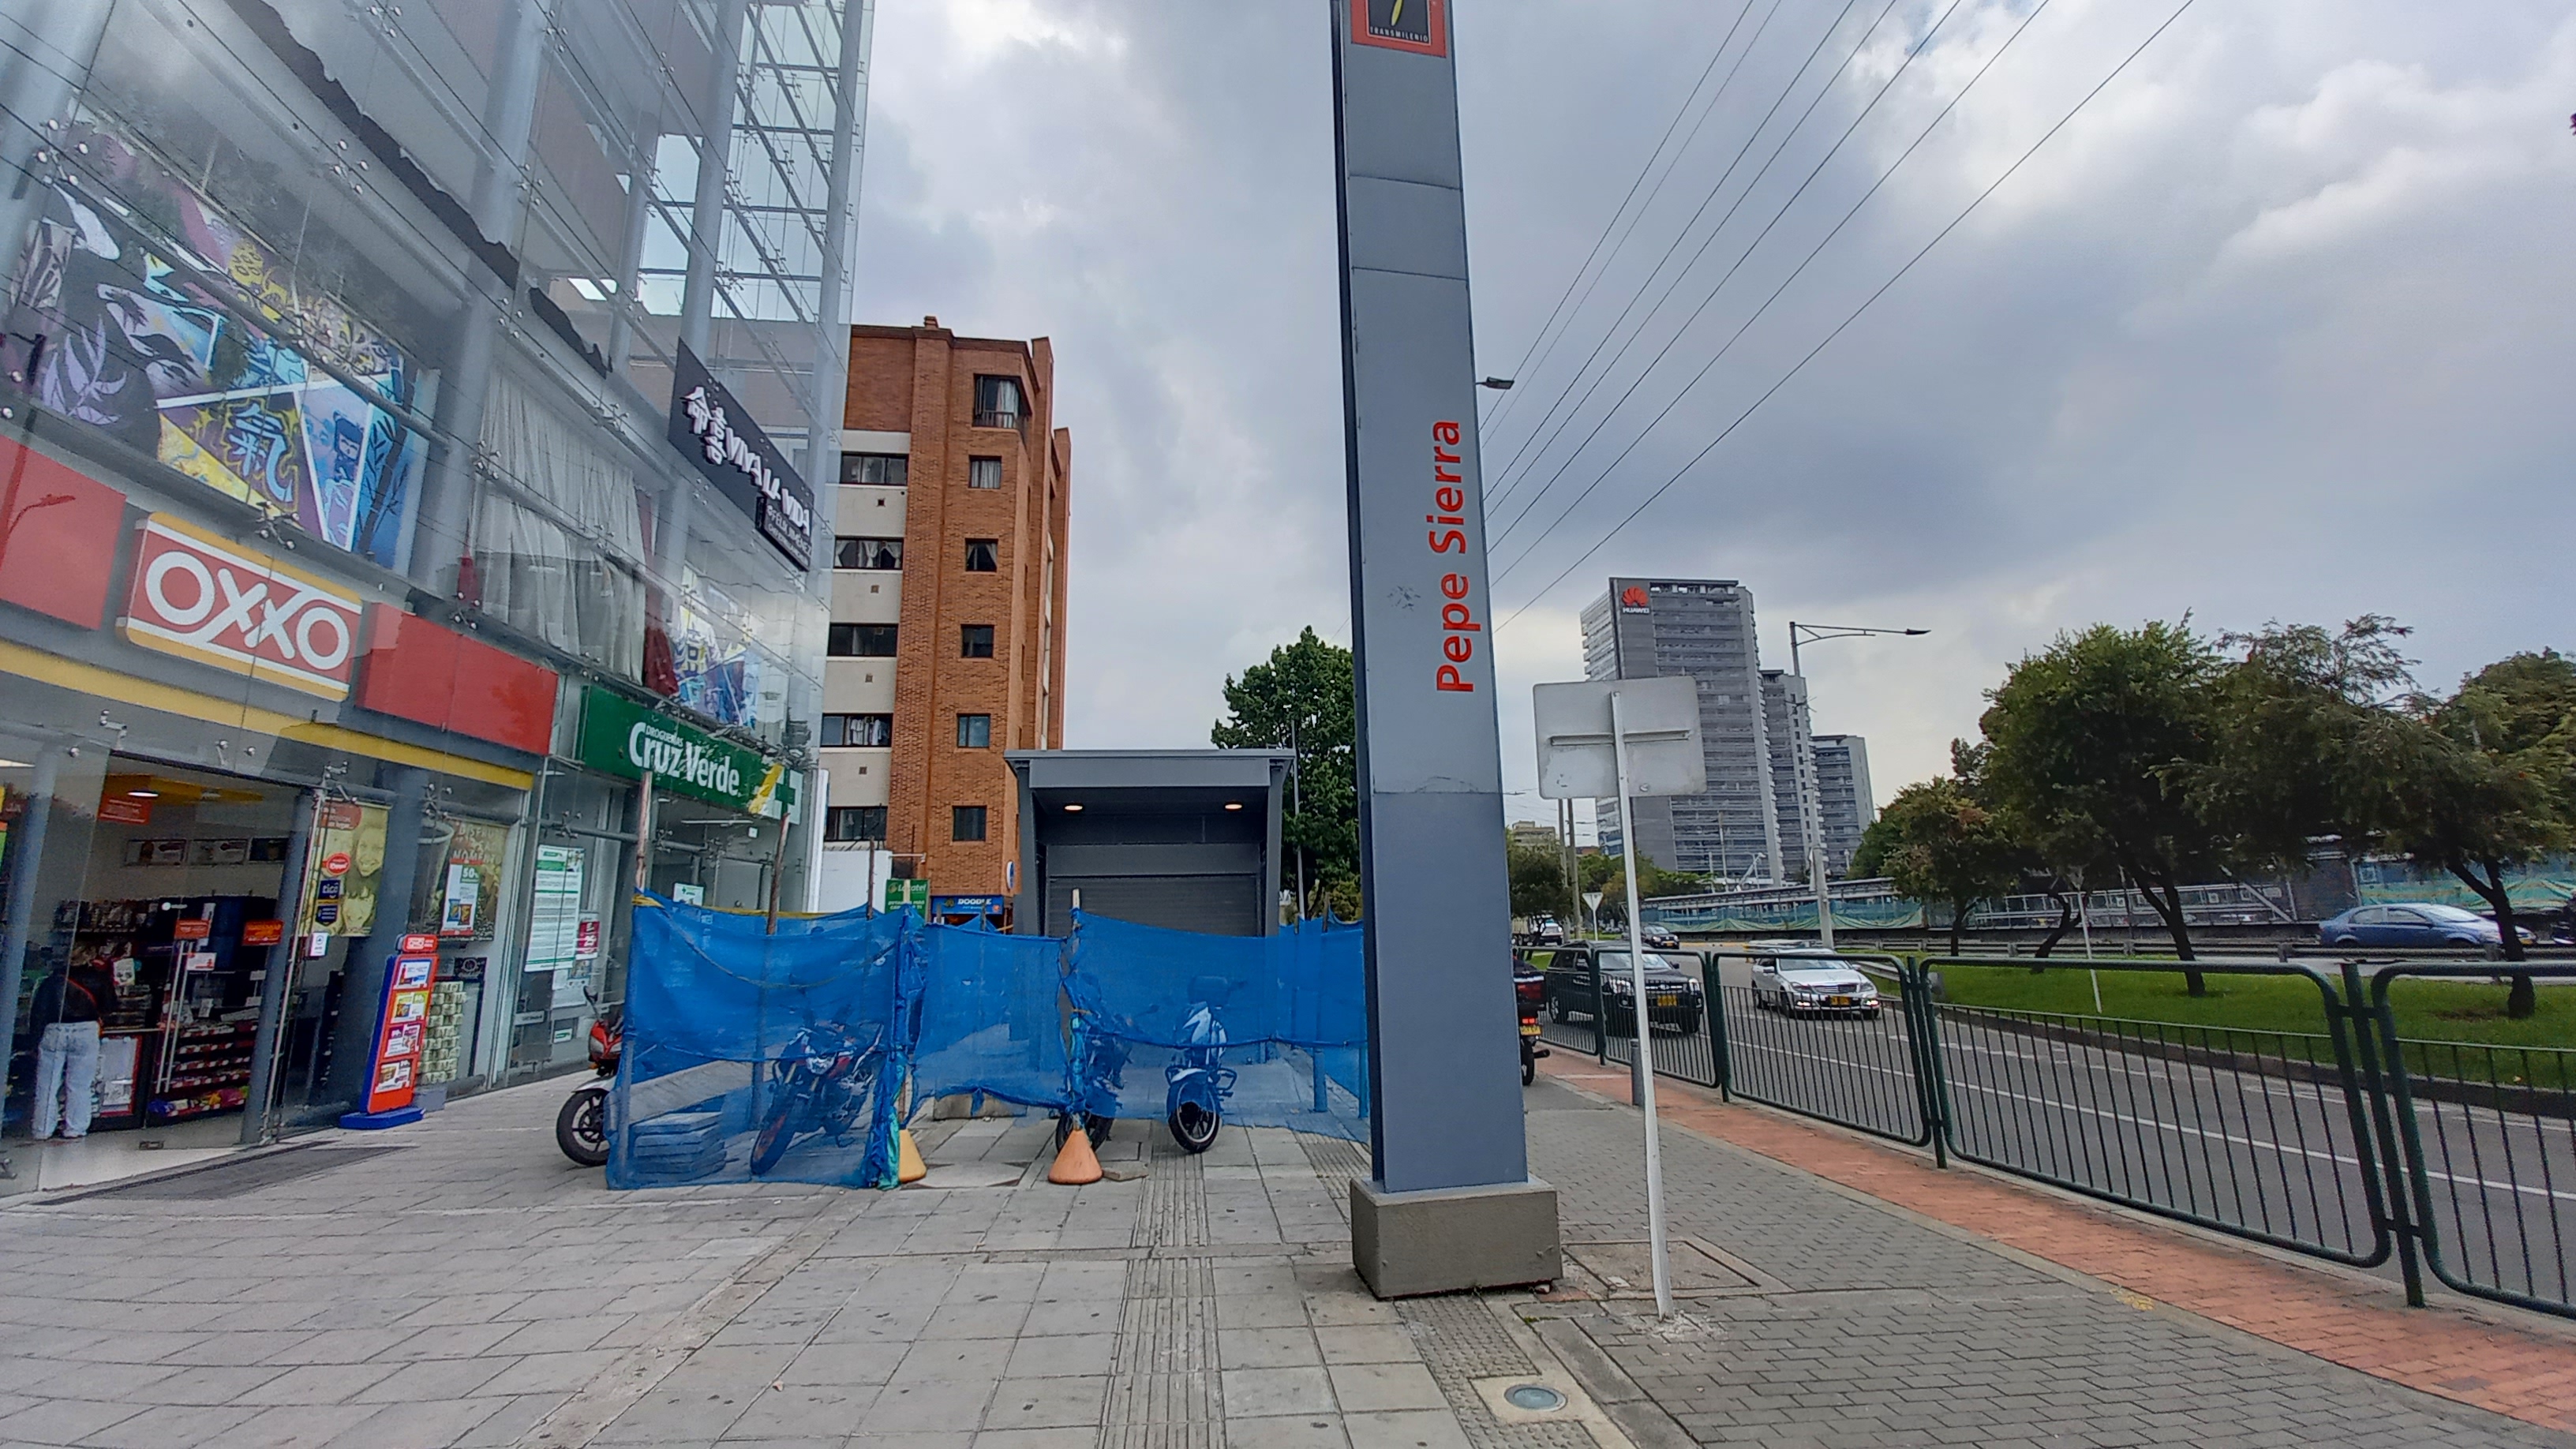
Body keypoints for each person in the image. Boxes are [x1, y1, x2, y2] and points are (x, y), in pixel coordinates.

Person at [29, 953, 107, 1140]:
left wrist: (34, 1040)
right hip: (86, 1030)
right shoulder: (98, 978)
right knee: (80, 1085)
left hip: (55, 1030)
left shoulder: (51, 981)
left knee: (47, 1084)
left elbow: (39, 1011)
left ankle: (42, 1129)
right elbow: (110, 1005)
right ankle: (75, 1128)